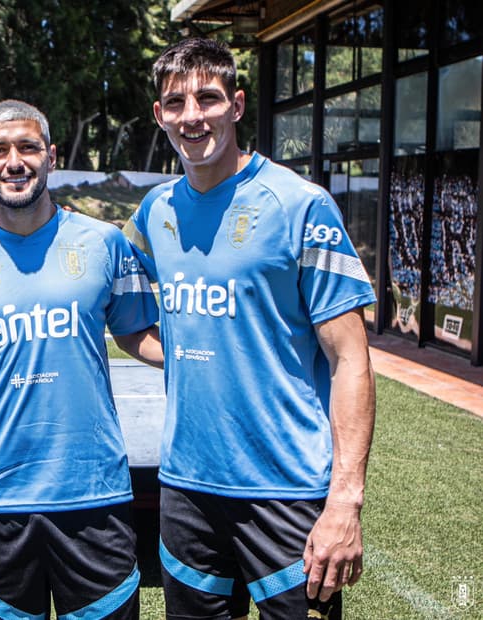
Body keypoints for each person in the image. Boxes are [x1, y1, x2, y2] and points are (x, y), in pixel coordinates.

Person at [121, 38, 377, 619]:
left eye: (208, 98)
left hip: (287, 491)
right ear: (160, 115)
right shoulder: (155, 213)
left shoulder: (301, 206)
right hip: (186, 487)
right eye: (176, 102)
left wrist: (345, 502)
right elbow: (110, 290)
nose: (193, 116)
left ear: (236, 105)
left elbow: (350, 361)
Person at [0, 99, 163, 620]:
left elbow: (134, 333)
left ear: (51, 156)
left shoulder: (104, 243)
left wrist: (206, 359)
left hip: (94, 495)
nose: (15, 161)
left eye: (28, 147)